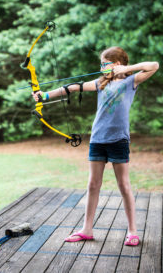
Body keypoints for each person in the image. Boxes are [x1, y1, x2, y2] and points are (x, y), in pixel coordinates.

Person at [32, 46, 159, 246]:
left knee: (124, 185)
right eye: (100, 64)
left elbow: (154, 66)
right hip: (98, 139)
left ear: (117, 64)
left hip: (119, 140)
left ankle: (132, 231)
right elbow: (73, 87)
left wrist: (126, 69)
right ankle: (87, 229)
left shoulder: (130, 81)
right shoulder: (100, 83)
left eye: (105, 64)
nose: (101, 68)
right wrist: (45, 95)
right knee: (93, 185)